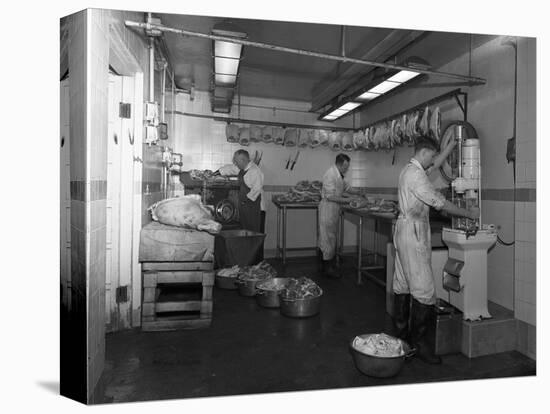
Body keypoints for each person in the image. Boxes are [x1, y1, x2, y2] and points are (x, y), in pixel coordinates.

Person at [392, 135, 479, 365]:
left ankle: (402, 341)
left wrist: (449, 147)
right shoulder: (416, 176)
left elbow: (434, 166)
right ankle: (419, 346)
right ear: (423, 153)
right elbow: (439, 202)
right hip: (413, 232)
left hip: (404, 230)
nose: (433, 161)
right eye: (431, 155)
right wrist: (469, 213)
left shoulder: (410, 170)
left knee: (402, 285)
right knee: (424, 290)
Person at [318, 153, 362, 278]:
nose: (346, 169)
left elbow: (346, 187)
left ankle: (327, 266)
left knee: (331, 238)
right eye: (345, 167)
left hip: (334, 209)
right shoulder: (330, 174)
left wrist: (358, 192)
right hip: (327, 209)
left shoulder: (339, 175)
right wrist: (349, 200)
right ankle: (326, 269)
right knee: (326, 239)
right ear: (339, 164)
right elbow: (330, 196)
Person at [219, 149, 265, 234]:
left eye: (236, 161)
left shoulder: (255, 171)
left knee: (255, 234)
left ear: (243, 160)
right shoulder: (243, 168)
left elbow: (257, 189)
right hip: (245, 208)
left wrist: (244, 200)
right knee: (246, 232)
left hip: (254, 208)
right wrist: (216, 173)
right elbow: (230, 168)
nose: (235, 164)